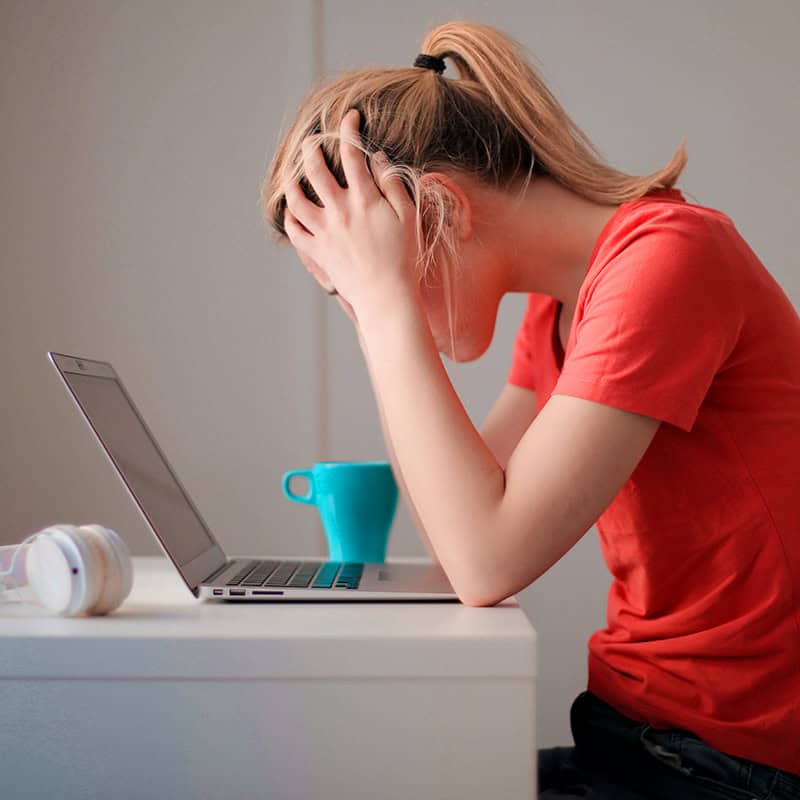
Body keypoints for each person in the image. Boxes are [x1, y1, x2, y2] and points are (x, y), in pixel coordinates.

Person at [260, 19, 800, 800]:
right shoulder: (557, 313)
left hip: (728, 767)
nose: (361, 303)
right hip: (635, 737)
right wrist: (380, 312)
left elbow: (486, 560)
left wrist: (385, 313)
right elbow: (455, 539)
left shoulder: (668, 262)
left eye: (358, 274)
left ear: (443, 206)